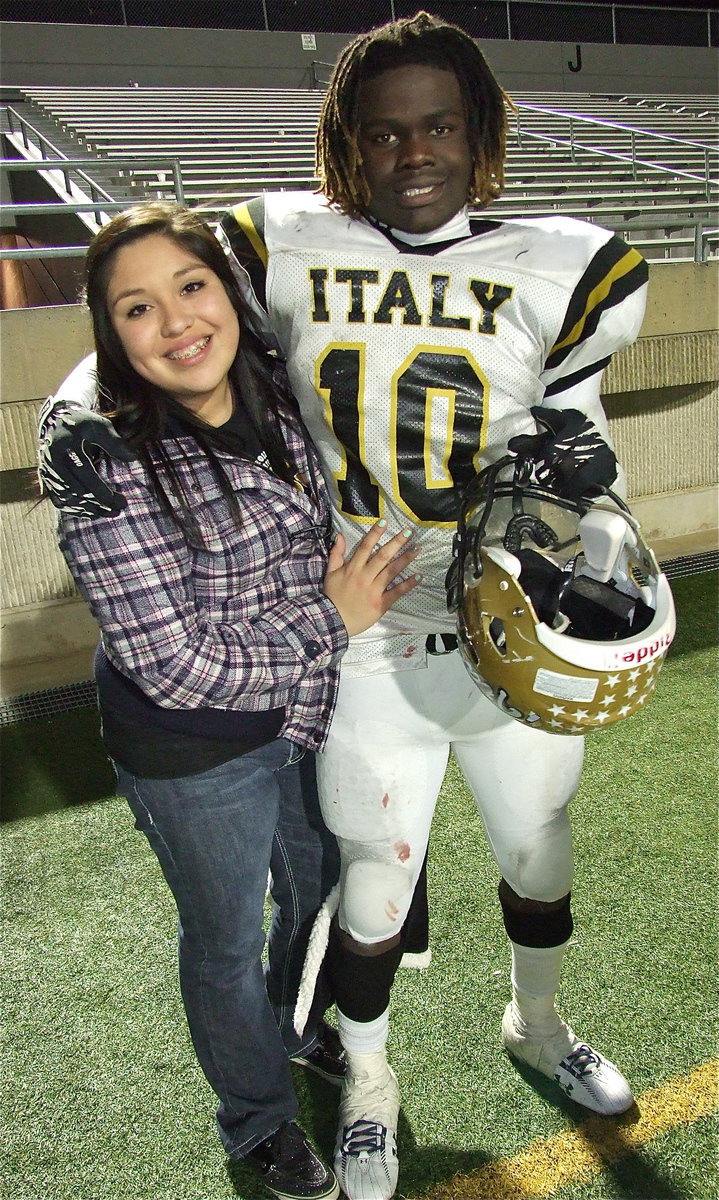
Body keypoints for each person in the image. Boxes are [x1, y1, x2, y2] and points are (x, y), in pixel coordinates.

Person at [38, 13, 650, 1200]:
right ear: (346, 145)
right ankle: (365, 1077)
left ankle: (536, 1023)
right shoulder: (282, 244)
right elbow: (157, 308)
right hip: (359, 622)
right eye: (382, 133)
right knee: (371, 866)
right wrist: (69, 411)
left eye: (436, 126)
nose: (410, 151)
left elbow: (581, 442)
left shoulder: (564, 265)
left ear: (476, 135)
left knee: (536, 845)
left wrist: (595, 505)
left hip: (495, 612)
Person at [45, 200, 421, 1200]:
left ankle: (296, 1027)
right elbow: (172, 667)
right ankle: (254, 1120)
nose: (174, 324)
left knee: (313, 888)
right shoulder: (99, 446)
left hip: (306, 712)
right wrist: (330, 625)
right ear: (107, 331)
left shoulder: (281, 372)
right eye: (136, 308)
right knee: (222, 938)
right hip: (192, 747)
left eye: (190, 286)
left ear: (228, 290)